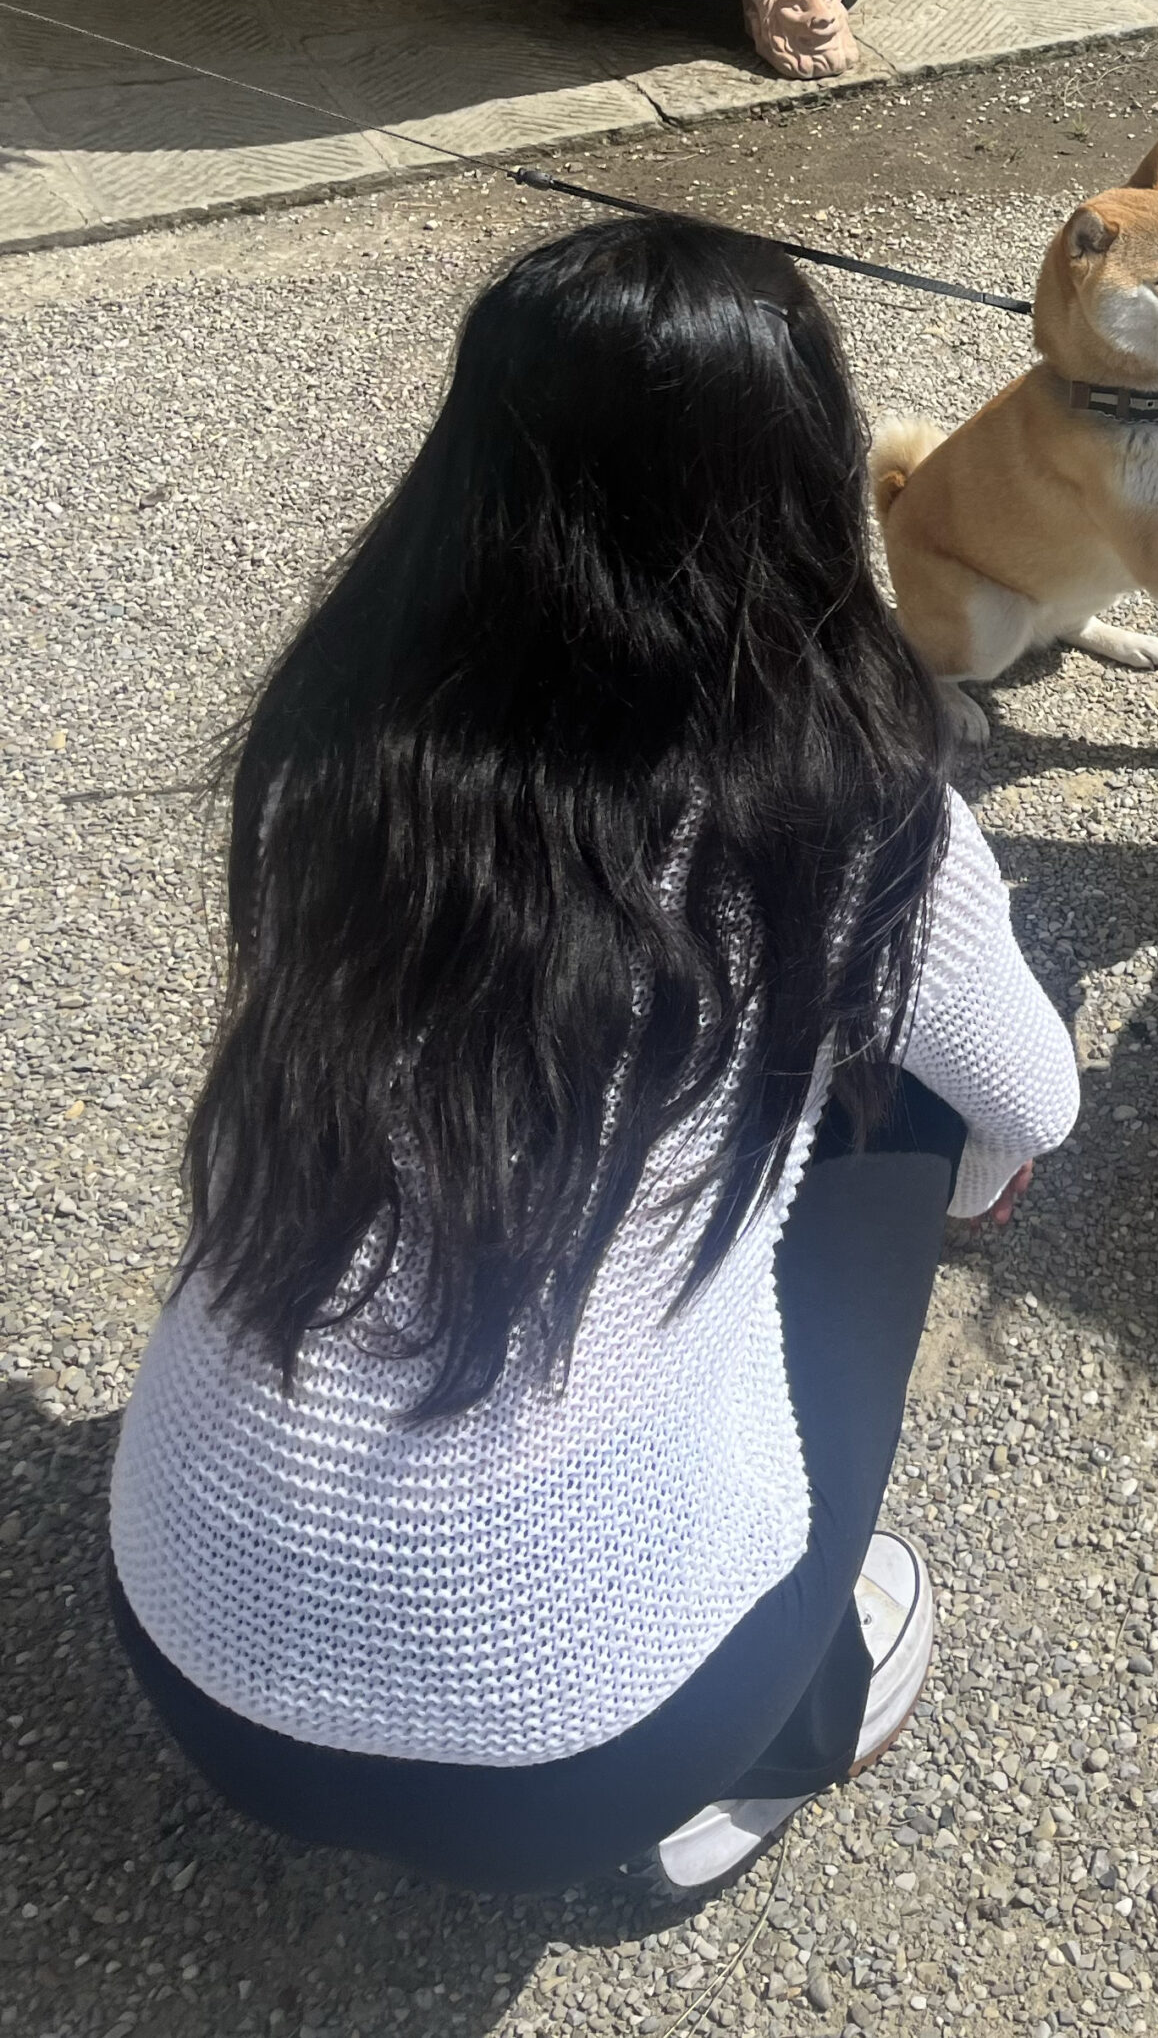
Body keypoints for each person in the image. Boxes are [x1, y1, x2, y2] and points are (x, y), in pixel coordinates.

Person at [108, 217, 1078, 1898]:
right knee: (921, 1089)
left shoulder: (332, 745)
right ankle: (790, 1713)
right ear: (797, 482)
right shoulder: (846, 803)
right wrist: (931, 1158)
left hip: (188, 1661)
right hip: (585, 1763)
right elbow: (1031, 1098)